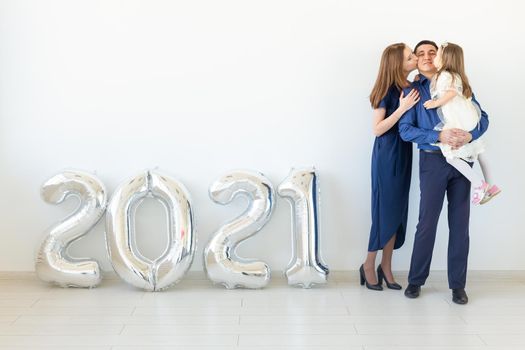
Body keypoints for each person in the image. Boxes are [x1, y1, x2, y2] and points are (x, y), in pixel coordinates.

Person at [399, 40, 489, 304]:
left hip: (463, 160)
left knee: (460, 226)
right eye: (421, 53)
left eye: (432, 52)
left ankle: (458, 286)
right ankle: (416, 280)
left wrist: (470, 134)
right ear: (415, 59)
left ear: (439, 56)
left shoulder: (457, 83)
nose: (427, 56)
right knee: (426, 223)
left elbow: (482, 118)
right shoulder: (413, 91)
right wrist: (440, 134)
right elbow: (406, 130)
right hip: (433, 161)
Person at [360, 43, 420, 291]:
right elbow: (377, 128)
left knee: (398, 211)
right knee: (384, 210)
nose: (415, 58)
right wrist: (403, 108)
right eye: (410, 56)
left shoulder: (410, 86)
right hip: (387, 154)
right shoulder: (385, 89)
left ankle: (386, 266)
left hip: (404, 152)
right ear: (398, 63)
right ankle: (368, 264)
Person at [423, 42, 500, 204]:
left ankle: (479, 184)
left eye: (437, 54)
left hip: (459, 118)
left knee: (450, 155)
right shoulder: (457, 75)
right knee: (479, 150)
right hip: (469, 117)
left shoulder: (445, 75)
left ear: (445, 58)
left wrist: (435, 103)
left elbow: (451, 92)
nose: (434, 58)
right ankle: (491, 184)